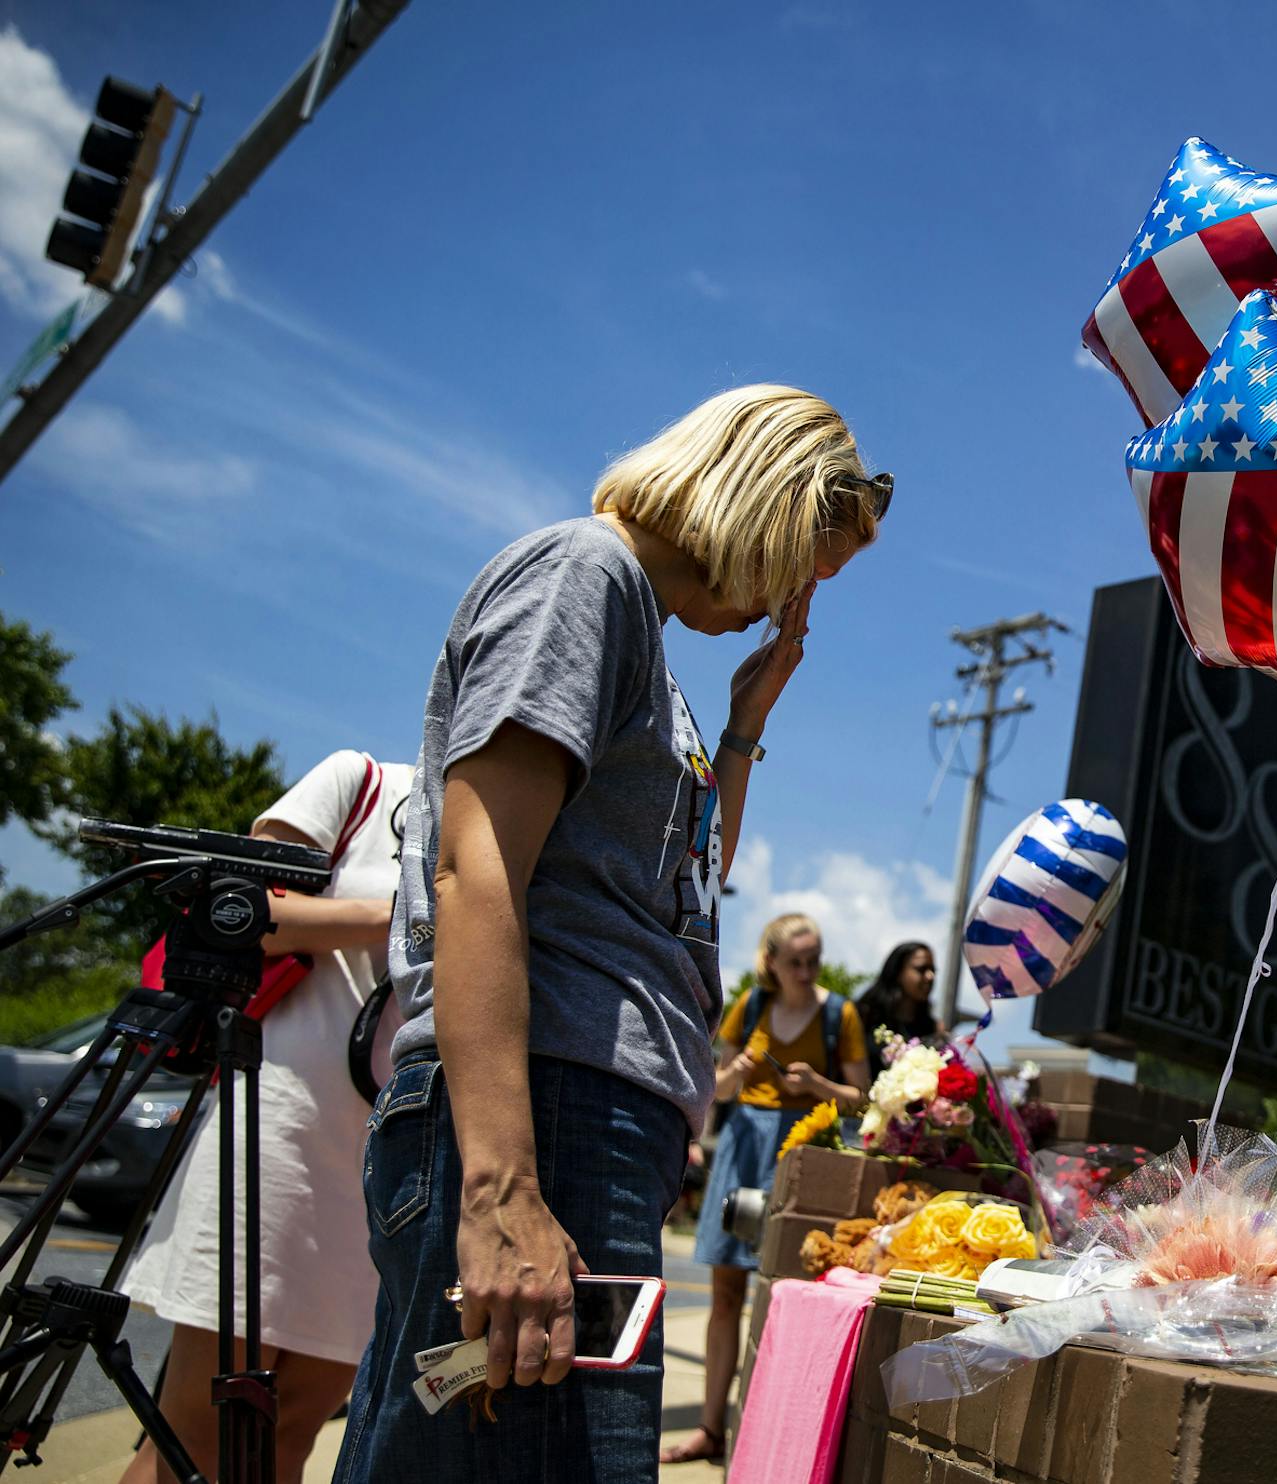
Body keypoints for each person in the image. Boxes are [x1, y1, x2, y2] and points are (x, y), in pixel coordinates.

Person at [331, 385, 888, 1483]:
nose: (792, 608)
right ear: (764, 504)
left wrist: (744, 724)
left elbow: (682, 885)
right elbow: (476, 863)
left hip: (590, 1111)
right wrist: (501, 1188)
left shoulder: (650, 642)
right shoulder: (587, 577)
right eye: (803, 570)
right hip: (545, 1101)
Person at [120, 750, 414, 1484]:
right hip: (278, 1120)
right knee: (192, 1433)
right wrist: (404, 918)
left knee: (289, 1438)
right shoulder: (365, 782)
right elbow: (238, 914)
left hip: (390, 1162)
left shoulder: (513, 824)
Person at [667, 912, 869, 1466]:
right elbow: (717, 1089)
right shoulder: (749, 1008)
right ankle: (710, 1430)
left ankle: (764, 1437)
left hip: (803, 1156)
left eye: (814, 961)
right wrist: (738, 1071)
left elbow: (863, 1099)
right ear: (771, 962)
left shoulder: (839, 1014)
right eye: (795, 962)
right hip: (742, 1148)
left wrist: (818, 1085)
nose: (806, 971)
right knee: (726, 1294)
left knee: (785, 1294)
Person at [852, 939, 940, 1049]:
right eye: (921, 969)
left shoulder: (933, 1029)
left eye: (933, 970)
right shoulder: (863, 1015)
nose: (930, 976)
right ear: (898, 972)